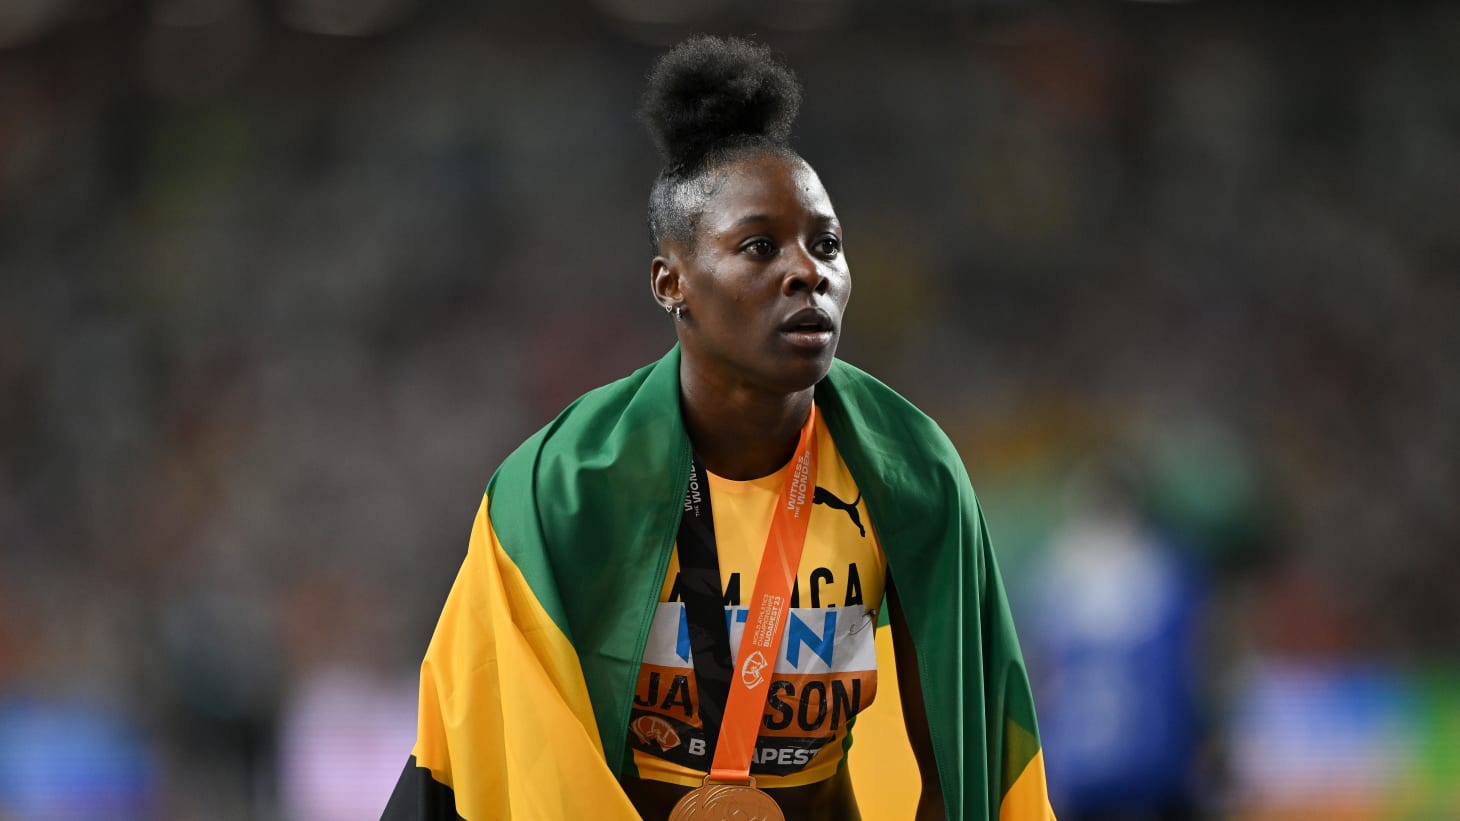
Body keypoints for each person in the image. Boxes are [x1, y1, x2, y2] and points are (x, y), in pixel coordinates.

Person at [382, 36, 1055, 821]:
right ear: (671, 281)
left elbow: (960, 773)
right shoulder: (564, 487)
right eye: (760, 246)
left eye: (827, 244)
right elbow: (508, 755)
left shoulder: (910, 469)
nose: (808, 271)